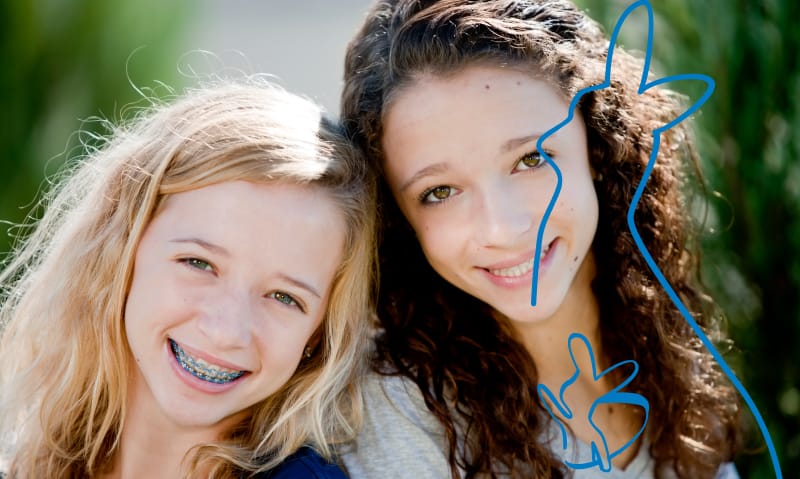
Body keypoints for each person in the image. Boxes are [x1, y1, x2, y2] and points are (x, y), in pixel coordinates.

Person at [338, 0, 740, 478]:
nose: (501, 228)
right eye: (439, 192)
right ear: (399, 219)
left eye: (531, 160)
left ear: (595, 142)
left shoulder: (664, 352)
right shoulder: (399, 410)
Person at [0, 78, 376, 478]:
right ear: (123, 249)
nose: (226, 330)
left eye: (284, 297)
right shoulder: (28, 455)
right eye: (199, 263)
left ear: (318, 336)